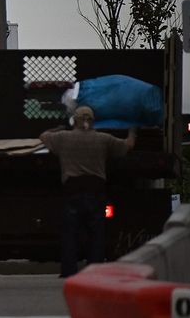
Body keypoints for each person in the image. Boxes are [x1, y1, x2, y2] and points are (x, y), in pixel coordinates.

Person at [40, 105, 134, 278]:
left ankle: (69, 271)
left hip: (72, 190)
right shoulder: (104, 139)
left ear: (74, 120)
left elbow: (44, 137)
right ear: (93, 121)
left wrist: (57, 128)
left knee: (70, 234)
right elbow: (127, 146)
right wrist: (133, 130)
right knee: (96, 234)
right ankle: (95, 271)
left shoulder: (62, 138)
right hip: (95, 191)